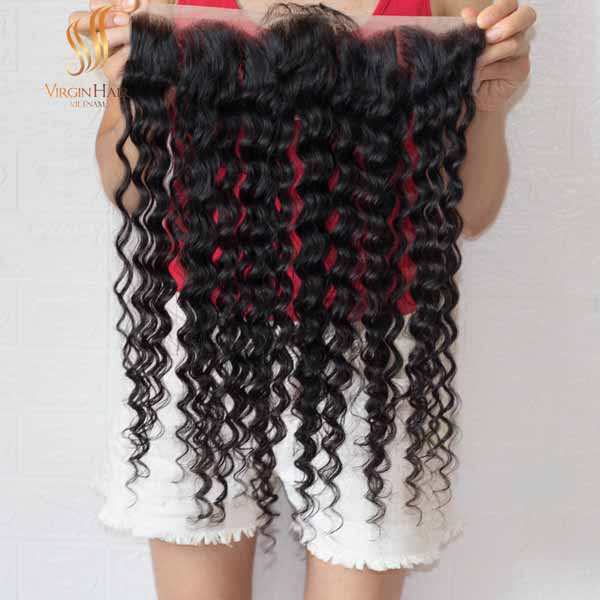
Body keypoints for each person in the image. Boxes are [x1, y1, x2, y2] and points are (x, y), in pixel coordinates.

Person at [70, 1, 536, 598]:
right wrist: (131, 93)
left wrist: (489, 107)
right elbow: (126, 188)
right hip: (202, 339)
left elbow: (473, 211)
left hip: (372, 352)